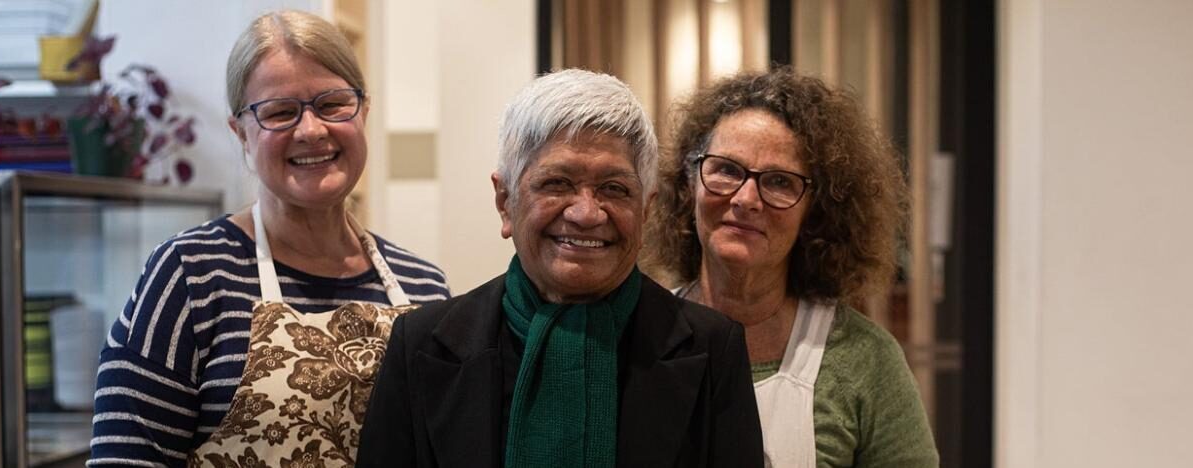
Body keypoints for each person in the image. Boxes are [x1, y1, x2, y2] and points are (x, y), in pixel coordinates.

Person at [89, 10, 450, 466]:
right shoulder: (191, 275)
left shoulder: (423, 287)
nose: (311, 130)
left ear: (363, 109)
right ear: (240, 132)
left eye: (332, 104)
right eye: (280, 113)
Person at [356, 69, 763, 468]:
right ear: (505, 201)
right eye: (557, 183)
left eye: (614, 189)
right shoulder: (421, 344)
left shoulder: (712, 348)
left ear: (646, 210)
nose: (586, 213)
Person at [643, 67, 938, 467]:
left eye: (779, 182)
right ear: (688, 183)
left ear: (816, 213)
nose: (746, 199)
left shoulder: (863, 360)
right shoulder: (638, 340)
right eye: (727, 169)